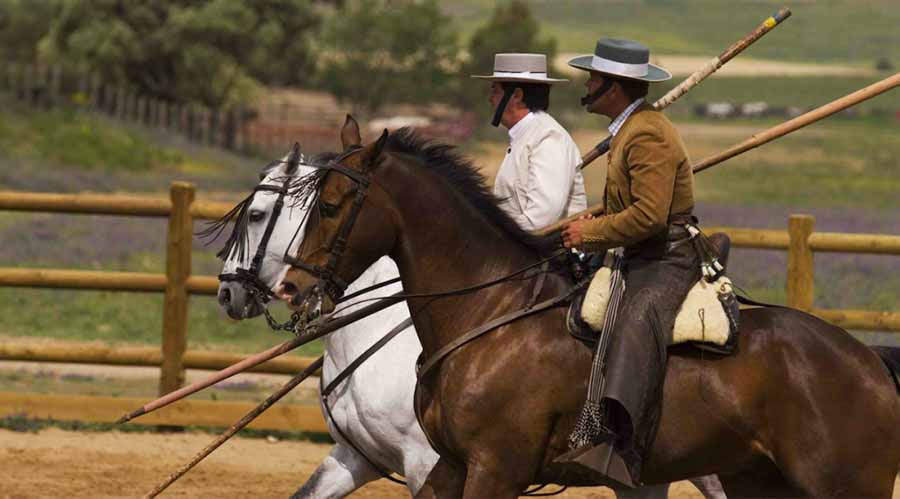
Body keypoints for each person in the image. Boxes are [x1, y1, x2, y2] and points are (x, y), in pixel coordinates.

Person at [557, 38, 700, 487]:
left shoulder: (647, 133)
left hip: (666, 257)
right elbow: (631, 203)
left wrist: (591, 232)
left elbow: (650, 216)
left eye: (595, 80)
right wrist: (601, 214)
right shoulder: (629, 129)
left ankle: (622, 443)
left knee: (634, 319)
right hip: (639, 251)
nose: (588, 85)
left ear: (614, 88)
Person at [472, 53, 586, 231]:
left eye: (495, 90)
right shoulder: (528, 135)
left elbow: (541, 220)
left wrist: (487, 234)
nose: (490, 98)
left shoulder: (548, 138)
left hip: (548, 257)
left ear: (516, 95)